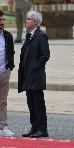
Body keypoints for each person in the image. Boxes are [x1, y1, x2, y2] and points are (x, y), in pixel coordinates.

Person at [19, 10, 50, 138]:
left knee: (38, 103)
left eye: (29, 19)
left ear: (36, 22)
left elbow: (45, 55)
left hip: (36, 76)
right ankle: (34, 127)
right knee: (31, 102)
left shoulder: (41, 35)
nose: (26, 21)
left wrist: (34, 66)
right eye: (26, 19)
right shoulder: (29, 35)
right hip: (27, 75)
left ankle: (42, 129)